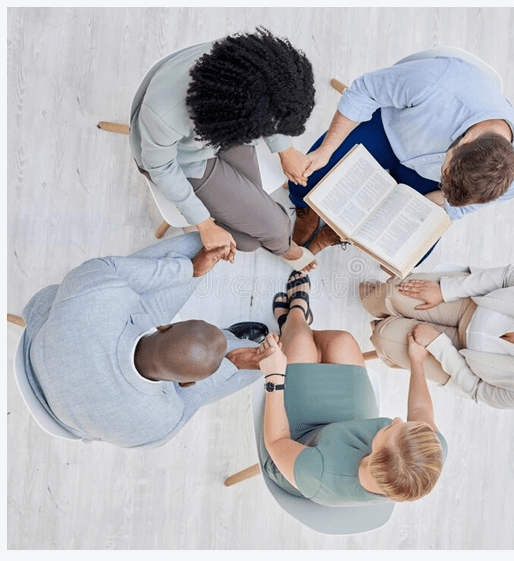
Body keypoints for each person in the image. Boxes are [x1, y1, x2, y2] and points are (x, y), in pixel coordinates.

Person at [20, 232, 276, 448]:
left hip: (46, 348)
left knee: (197, 246)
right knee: (256, 363)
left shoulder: (94, 291)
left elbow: (111, 270)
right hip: (61, 392)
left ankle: (225, 342)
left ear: (164, 325)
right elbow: (196, 395)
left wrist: (189, 269)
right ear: (186, 382)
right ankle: (230, 341)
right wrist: (235, 363)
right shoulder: (160, 425)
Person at [288, 54, 514, 260]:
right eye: (445, 170)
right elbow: (364, 91)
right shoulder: (438, 82)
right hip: (390, 130)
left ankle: (339, 232)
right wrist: (325, 152)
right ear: (466, 140)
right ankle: (306, 209)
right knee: (308, 175)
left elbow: (458, 207)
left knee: (412, 251)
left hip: (429, 184)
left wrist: (426, 206)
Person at [130, 27, 318, 272]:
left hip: (225, 130)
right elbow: (160, 167)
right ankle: (284, 246)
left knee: (252, 238)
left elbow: (271, 101)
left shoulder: (245, 63)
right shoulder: (164, 115)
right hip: (183, 161)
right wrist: (204, 224)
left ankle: (278, 241)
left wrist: (286, 150)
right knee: (262, 234)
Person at [253, 271, 447, 506]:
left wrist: (274, 376)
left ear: (375, 459)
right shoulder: (427, 453)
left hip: (294, 444)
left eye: (390, 430)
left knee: (301, 342)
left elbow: (276, 440)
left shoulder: (321, 474)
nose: (397, 420)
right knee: (342, 341)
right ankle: (295, 323)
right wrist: (417, 361)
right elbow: (420, 411)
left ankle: (295, 316)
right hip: (346, 427)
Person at [360, 264, 514, 409]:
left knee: (386, 337)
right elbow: (507, 275)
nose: (508, 334)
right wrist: (446, 290)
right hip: (471, 304)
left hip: (462, 362)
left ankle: (386, 329)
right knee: (390, 294)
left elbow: (477, 390)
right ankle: (380, 302)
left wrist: (439, 345)